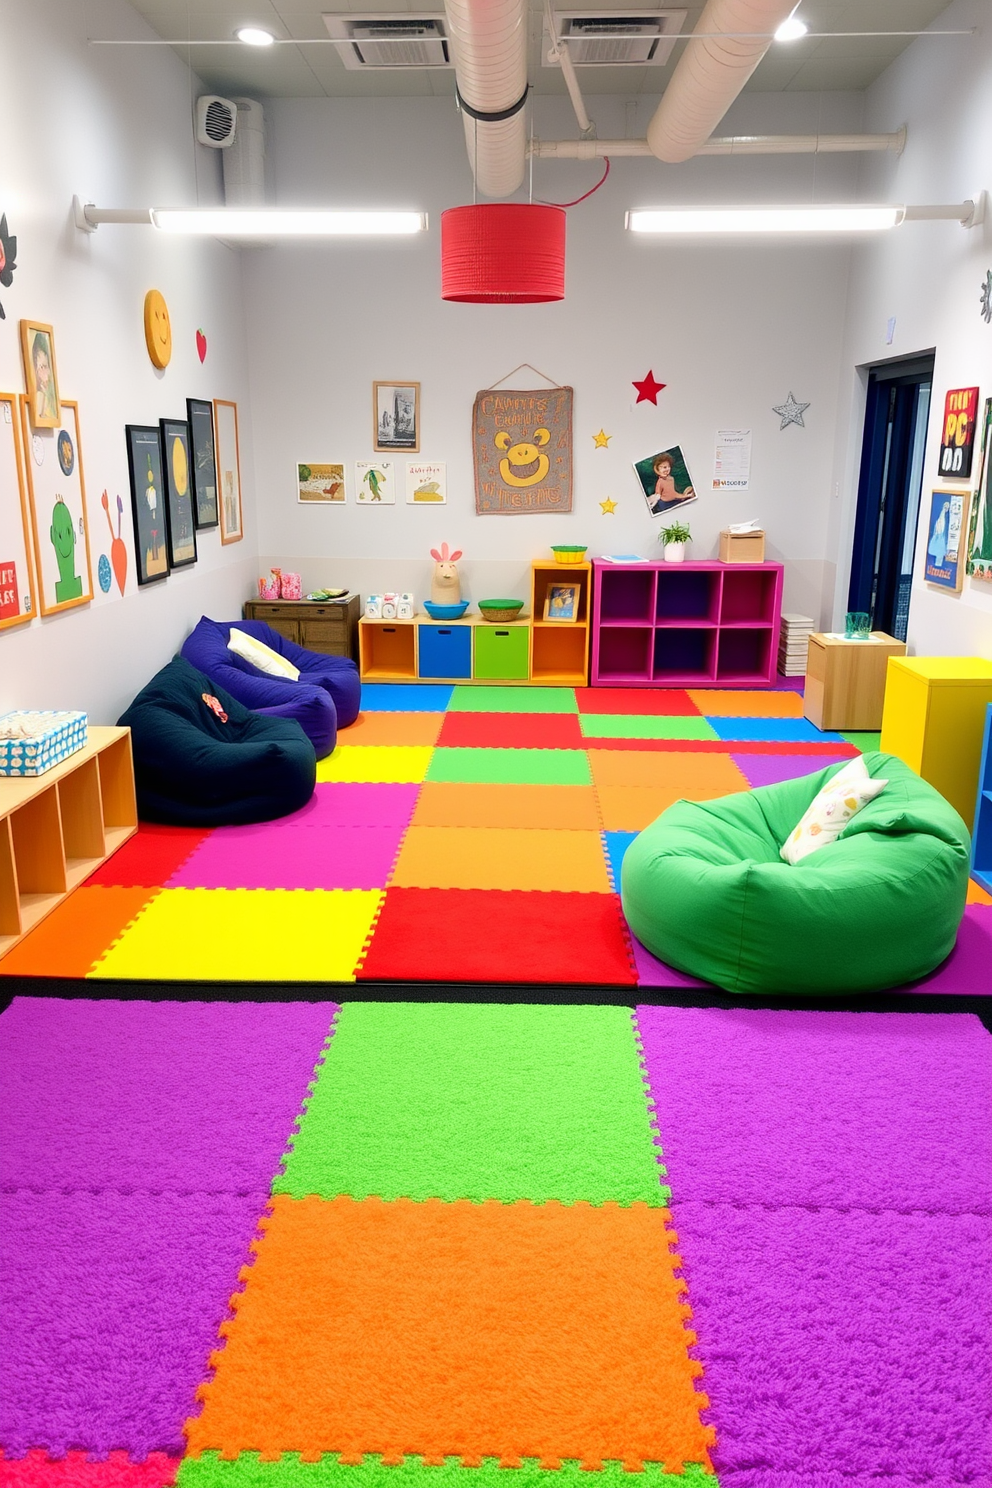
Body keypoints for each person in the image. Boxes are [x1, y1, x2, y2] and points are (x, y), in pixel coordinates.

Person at [32, 333, 58, 422]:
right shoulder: (39, 395)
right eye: (41, 367)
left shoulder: (50, 399)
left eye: (45, 366)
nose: (47, 372)